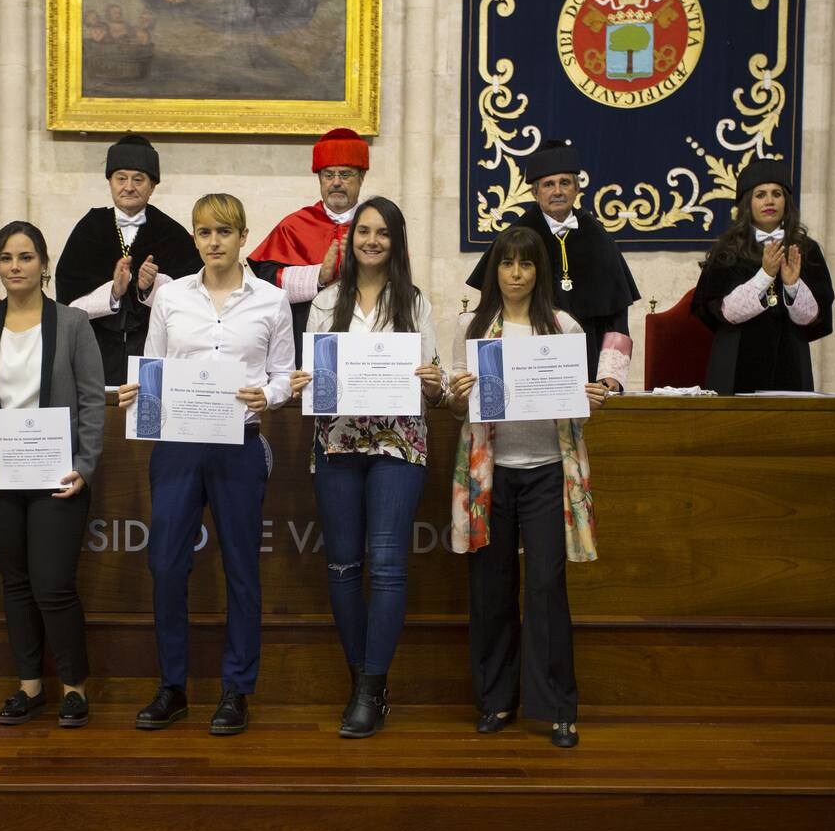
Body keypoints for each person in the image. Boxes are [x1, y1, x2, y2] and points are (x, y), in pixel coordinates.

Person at [118, 193, 294, 736]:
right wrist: (139, 394)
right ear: (193, 239)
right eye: (202, 232)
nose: (212, 241)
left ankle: (236, 690)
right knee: (166, 565)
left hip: (239, 444)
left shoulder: (270, 300)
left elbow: (285, 374)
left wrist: (271, 394)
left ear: (243, 236)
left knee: (241, 568)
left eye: (223, 231)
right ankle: (173, 686)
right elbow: (155, 366)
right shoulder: (171, 298)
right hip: (178, 444)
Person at [288, 197, 445, 739]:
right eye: (363, 232)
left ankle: (374, 684)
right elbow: (309, 374)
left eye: (382, 233)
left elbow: (438, 382)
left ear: (396, 242)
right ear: (349, 239)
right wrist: (305, 381)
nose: (371, 240)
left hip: (398, 443)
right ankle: (361, 680)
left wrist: (432, 381)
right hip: (336, 440)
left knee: (387, 565)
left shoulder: (416, 302)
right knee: (342, 567)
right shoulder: (326, 301)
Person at [448, 225, 609, 749]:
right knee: (491, 590)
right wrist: (457, 394)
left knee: (545, 587)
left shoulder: (562, 326)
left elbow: (574, 407)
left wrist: (592, 400)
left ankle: (558, 707)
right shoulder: (473, 327)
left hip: (545, 471)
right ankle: (496, 701)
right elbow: (455, 410)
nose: (515, 274)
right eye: (506, 264)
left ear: (539, 272)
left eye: (526, 265)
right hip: (490, 476)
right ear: (494, 271)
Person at [0, 221, 106, 728]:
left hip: (59, 475)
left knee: (53, 584)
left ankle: (74, 689)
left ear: (44, 264)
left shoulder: (73, 322)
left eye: (27, 257)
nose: (16, 267)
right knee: (15, 583)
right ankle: (30, 686)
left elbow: (92, 400)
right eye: (7, 258)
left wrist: (84, 466)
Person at [465, 139, 639, 390]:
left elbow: (617, 316)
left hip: (589, 369)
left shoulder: (599, 238)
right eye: (548, 184)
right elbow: (495, 304)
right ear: (535, 192)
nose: (557, 191)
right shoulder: (515, 237)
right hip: (525, 361)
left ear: (577, 189)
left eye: (564, 183)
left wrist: (611, 375)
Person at [55, 134, 201, 384]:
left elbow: (194, 299)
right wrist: (112, 292)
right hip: (96, 346)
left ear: (152, 186)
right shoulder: (89, 229)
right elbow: (68, 297)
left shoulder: (172, 233)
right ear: (110, 182)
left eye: (138, 179)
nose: (129, 187)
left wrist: (150, 288)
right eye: (121, 178)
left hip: (153, 346)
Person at [692, 158, 835, 394]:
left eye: (776, 193)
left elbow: (813, 317)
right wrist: (765, 276)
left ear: (786, 202)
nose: (769, 201)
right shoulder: (727, 250)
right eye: (760, 194)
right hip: (736, 359)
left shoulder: (806, 249)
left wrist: (792, 286)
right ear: (748, 203)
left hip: (790, 359)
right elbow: (722, 312)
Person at [248, 127, 370, 364]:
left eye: (345, 174)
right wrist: (318, 276)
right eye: (328, 175)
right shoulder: (294, 226)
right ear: (319, 179)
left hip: (365, 341)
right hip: (303, 339)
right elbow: (265, 284)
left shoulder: (377, 226)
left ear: (362, 177)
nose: (336, 183)